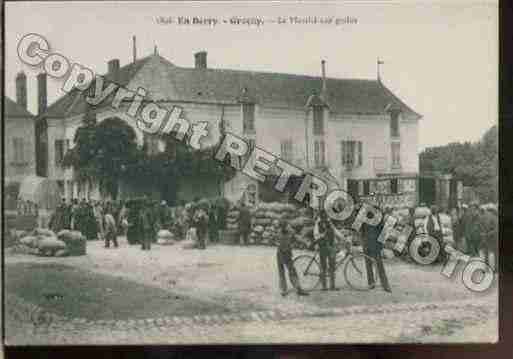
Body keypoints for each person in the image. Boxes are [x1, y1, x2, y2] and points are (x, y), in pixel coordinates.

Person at [361, 206, 392, 292]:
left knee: (374, 264)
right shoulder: (373, 220)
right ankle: (381, 284)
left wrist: (380, 246)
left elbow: (382, 233)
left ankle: (380, 284)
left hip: (371, 244)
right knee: (375, 265)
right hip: (370, 244)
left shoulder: (371, 220)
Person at [276, 220, 309, 297]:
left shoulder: (289, 232)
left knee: (291, 271)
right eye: (286, 226)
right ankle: (284, 289)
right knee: (283, 272)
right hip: (281, 253)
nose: (288, 227)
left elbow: (297, 238)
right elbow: (281, 242)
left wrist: (305, 242)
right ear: (283, 227)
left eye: (287, 226)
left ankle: (296, 288)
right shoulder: (280, 233)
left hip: (285, 253)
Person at [313, 211, 338, 291]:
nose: (325, 216)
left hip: (330, 246)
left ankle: (332, 286)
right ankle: (324, 286)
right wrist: (322, 235)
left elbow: (335, 231)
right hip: (323, 246)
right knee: (324, 266)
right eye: (323, 215)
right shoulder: (318, 223)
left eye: (326, 215)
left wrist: (343, 238)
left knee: (331, 266)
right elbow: (316, 235)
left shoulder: (328, 222)